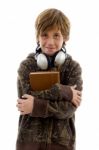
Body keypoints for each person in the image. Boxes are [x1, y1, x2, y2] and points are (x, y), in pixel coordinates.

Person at [16, 8, 83, 150]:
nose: (50, 41)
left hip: (62, 144)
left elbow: (69, 109)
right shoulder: (26, 66)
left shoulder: (73, 68)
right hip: (29, 143)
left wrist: (36, 106)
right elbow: (25, 101)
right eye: (44, 35)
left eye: (56, 35)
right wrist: (62, 91)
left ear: (65, 37)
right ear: (37, 37)